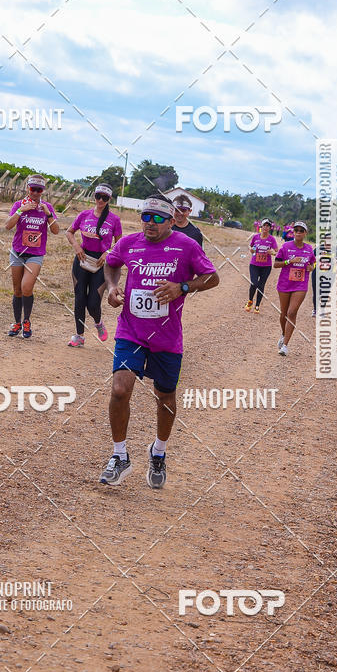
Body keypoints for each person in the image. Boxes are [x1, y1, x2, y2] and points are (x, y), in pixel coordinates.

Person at [99, 195, 219, 489]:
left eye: (157, 219)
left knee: (164, 397)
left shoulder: (186, 245)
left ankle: (159, 452)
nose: (149, 223)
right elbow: (112, 263)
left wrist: (183, 287)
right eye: (145, 217)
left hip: (167, 337)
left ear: (170, 220)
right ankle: (119, 456)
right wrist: (113, 288)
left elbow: (212, 277)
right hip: (131, 331)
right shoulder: (129, 243)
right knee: (119, 389)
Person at [65, 184, 122, 347]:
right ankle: (79, 336)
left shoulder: (114, 219)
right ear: (94, 196)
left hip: (101, 263)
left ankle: (98, 323)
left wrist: (107, 253)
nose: (101, 200)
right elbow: (69, 232)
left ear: (109, 199)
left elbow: (119, 244)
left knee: (93, 303)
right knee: (79, 298)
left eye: (105, 198)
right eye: (98, 196)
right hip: (82, 259)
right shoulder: (84, 215)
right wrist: (76, 247)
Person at [5, 174, 59, 338]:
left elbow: (56, 231)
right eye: (32, 189)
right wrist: (22, 211)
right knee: (17, 290)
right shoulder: (18, 205)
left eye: (39, 190)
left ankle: (26, 320)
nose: (35, 192)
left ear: (43, 191)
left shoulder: (47, 207)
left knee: (26, 287)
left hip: (35, 254)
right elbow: (7, 225)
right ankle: (17, 323)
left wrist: (48, 214)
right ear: (27, 188)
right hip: (17, 252)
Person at [273, 221, 316, 356]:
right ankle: (283, 333)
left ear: (305, 233)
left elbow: (313, 263)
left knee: (292, 313)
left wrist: (311, 267)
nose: (298, 232)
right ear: (293, 232)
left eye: (301, 230)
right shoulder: (286, 247)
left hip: (300, 285)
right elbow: (276, 264)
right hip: (285, 284)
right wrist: (288, 262)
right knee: (284, 313)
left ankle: (285, 345)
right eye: (296, 230)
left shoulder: (309, 249)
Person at [244, 218, 277, 313]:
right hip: (254, 264)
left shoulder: (272, 239)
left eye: (268, 226)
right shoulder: (255, 237)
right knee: (254, 283)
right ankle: (250, 301)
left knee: (261, 285)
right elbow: (250, 246)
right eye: (264, 225)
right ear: (261, 227)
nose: (266, 227)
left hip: (266, 266)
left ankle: (257, 305)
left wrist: (273, 252)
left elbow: (276, 250)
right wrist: (251, 249)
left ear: (270, 228)